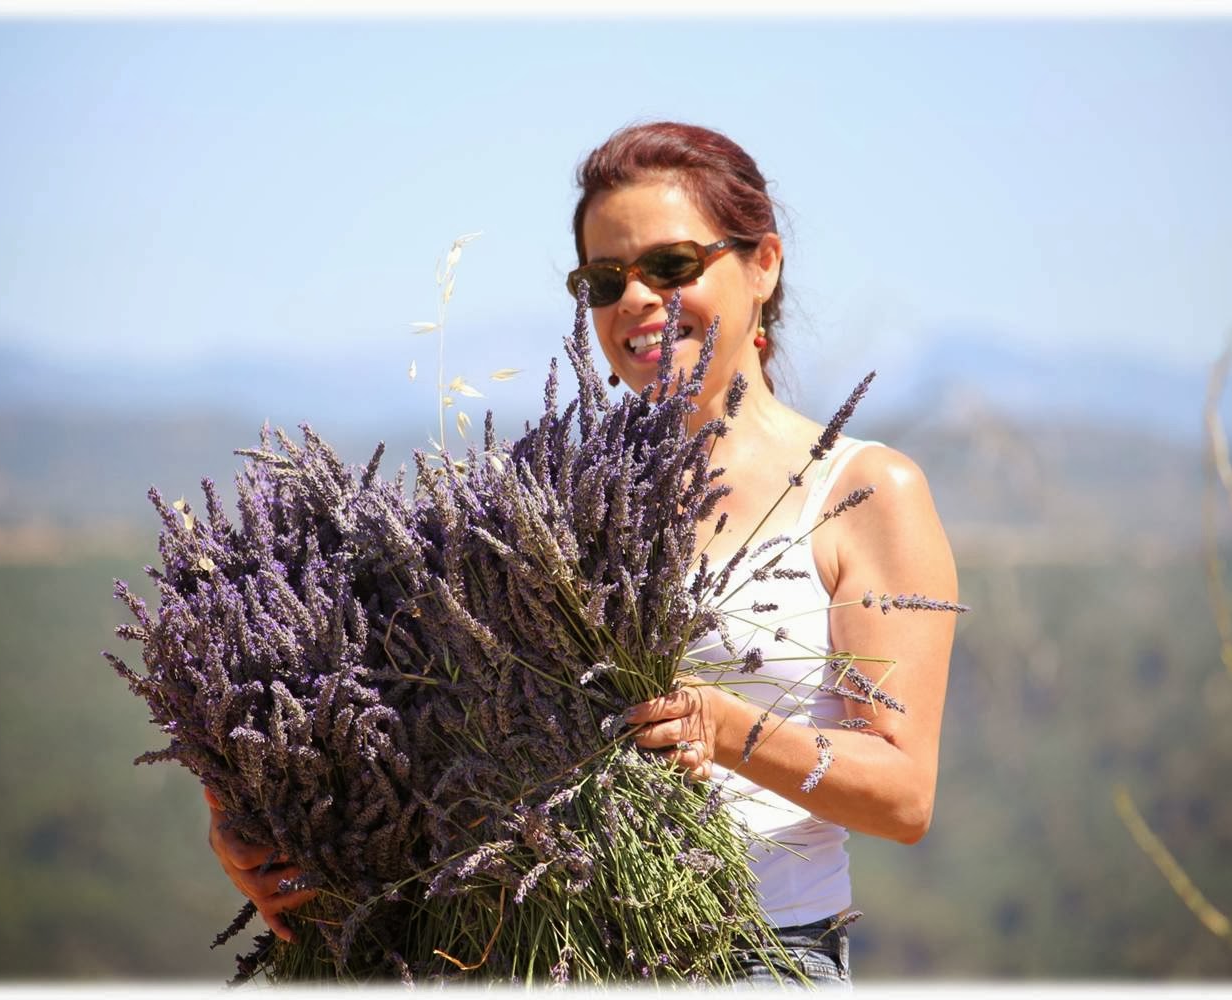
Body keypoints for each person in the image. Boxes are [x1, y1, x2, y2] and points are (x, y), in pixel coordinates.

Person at [205, 121, 958, 987]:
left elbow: (903, 798)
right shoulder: (546, 501)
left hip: (756, 953)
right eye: (605, 280)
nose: (637, 299)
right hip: (541, 956)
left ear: (764, 265)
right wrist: (252, 806)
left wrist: (723, 725)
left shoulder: (865, 494)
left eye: (672, 266)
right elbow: (395, 694)